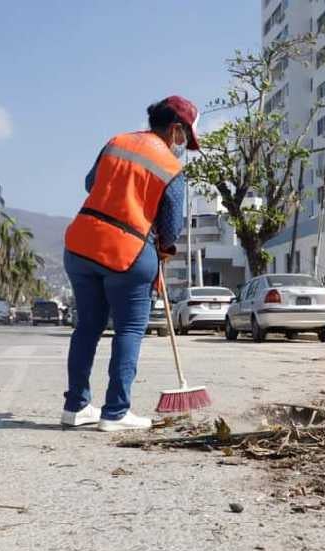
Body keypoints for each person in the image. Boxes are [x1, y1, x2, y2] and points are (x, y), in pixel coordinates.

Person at [62, 95, 199, 431]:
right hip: (126, 252)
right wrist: (164, 249)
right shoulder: (170, 166)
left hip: (80, 243)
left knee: (88, 327)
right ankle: (116, 412)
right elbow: (170, 227)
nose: (184, 145)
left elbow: (90, 184)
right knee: (129, 329)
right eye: (185, 138)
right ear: (175, 129)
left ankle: (76, 407)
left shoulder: (116, 142)